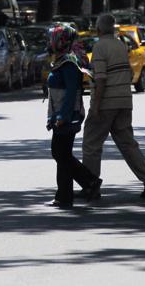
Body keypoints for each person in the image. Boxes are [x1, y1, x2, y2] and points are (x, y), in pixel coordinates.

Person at [80, 13, 145, 199]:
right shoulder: (120, 44)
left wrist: (96, 107)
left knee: (91, 145)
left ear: (99, 29)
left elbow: (100, 79)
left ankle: (91, 185)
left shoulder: (100, 47)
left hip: (107, 102)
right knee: (127, 144)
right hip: (125, 100)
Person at [46, 25, 102, 209]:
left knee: (61, 154)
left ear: (61, 41)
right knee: (61, 154)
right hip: (60, 116)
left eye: (54, 39)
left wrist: (63, 116)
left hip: (68, 117)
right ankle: (87, 183)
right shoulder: (62, 60)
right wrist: (52, 117)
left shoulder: (70, 63)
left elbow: (71, 93)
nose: (51, 42)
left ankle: (66, 195)